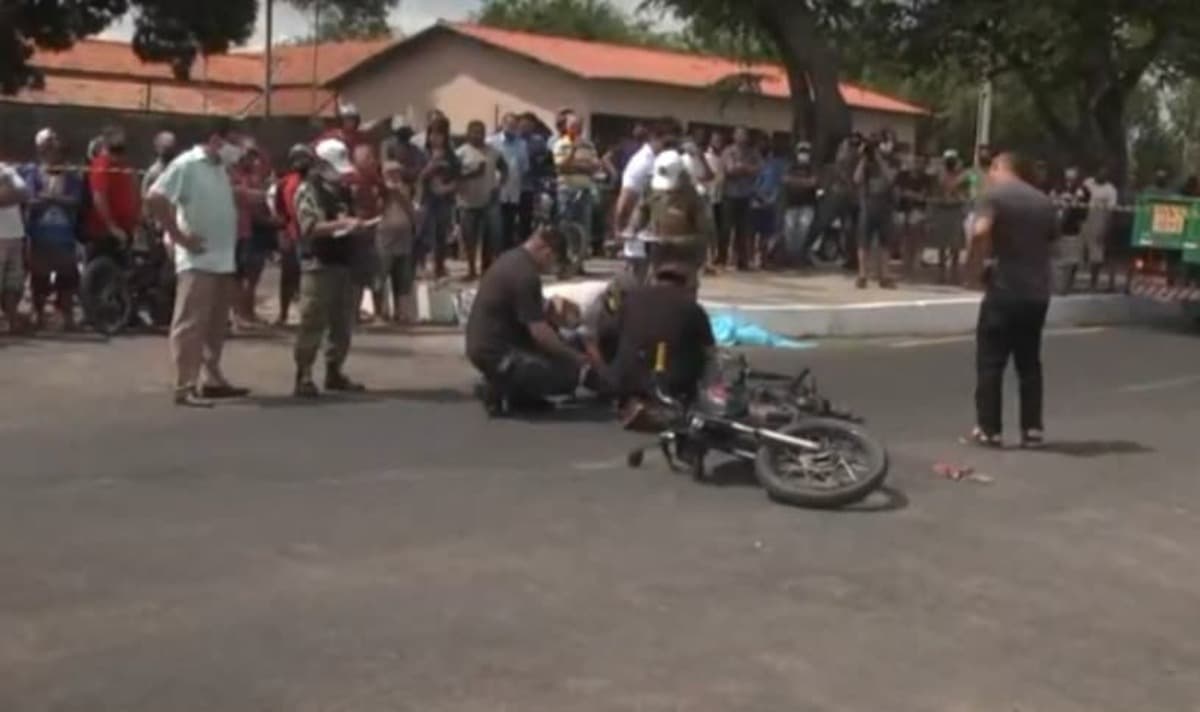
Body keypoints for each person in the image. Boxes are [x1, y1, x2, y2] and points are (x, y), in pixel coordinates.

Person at [146, 118, 249, 407]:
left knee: (216, 325)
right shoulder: (187, 163)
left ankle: (211, 378)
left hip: (223, 258)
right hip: (198, 259)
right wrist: (178, 236)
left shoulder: (219, 168)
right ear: (217, 140)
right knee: (190, 323)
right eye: (234, 142)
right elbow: (155, 196)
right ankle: (184, 384)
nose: (237, 149)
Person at [965, 152, 1056, 449]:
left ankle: (989, 429)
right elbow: (1051, 242)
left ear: (998, 168)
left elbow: (981, 232)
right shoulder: (1043, 202)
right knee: (1029, 363)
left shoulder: (993, 196)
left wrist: (974, 267)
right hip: (1037, 294)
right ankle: (1032, 430)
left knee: (991, 362)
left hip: (1004, 291)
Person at [465, 226, 597, 414]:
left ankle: (519, 393)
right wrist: (574, 358)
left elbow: (534, 311)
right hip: (498, 352)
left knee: (558, 349)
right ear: (546, 251)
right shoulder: (526, 275)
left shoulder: (510, 259)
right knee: (568, 375)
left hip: (486, 344)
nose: (551, 267)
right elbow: (539, 332)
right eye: (554, 260)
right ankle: (502, 385)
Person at [291, 138, 370, 398]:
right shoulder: (308, 190)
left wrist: (357, 225)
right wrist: (342, 224)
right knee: (312, 320)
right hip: (318, 264)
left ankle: (334, 370)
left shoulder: (342, 191)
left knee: (342, 322)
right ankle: (303, 374)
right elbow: (309, 227)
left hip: (342, 262)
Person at [606, 262, 715, 424]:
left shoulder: (631, 299)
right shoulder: (691, 307)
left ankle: (629, 393)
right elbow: (710, 347)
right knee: (700, 351)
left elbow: (608, 333)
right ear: (685, 283)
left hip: (626, 378)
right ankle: (682, 398)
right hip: (671, 382)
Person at [22, 128, 84, 331]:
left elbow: (75, 201)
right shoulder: (34, 173)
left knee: (67, 279)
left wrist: (51, 199)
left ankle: (67, 317)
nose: (53, 154)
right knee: (39, 279)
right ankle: (38, 315)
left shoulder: (72, 176)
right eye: (48, 150)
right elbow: (31, 200)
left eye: (57, 151)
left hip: (64, 237)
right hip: (40, 236)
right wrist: (52, 200)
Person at [627, 149, 714, 281]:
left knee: (683, 287)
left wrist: (677, 241)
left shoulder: (693, 197)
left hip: (685, 255)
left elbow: (705, 232)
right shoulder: (651, 188)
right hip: (658, 250)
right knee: (655, 284)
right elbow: (642, 210)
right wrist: (633, 228)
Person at [229, 141, 274, 329]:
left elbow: (265, 167)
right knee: (238, 277)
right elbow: (244, 195)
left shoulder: (250, 175)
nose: (251, 159)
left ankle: (247, 313)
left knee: (249, 276)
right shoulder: (232, 176)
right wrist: (266, 195)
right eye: (247, 156)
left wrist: (257, 150)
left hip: (246, 231)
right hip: (234, 232)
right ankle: (238, 315)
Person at [551, 111, 600, 275]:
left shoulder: (589, 145)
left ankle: (579, 263)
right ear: (566, 127)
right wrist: (573, 154)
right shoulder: (560, 144)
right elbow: (561, 167)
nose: (576, 129)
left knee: (584, 227)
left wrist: (577, 165)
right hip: (566, 189)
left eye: (578, 126)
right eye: (572, 126)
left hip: (584, 189)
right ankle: (564, 261)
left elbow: (594, 167)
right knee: (566, 226)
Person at [458, 119, 508, 279]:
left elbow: (504, 168)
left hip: (489, 200)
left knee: (492, 236)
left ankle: (488, 269)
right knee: (469, 238)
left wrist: (500, 185)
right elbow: (453, 175)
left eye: (481, 132)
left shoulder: (493, 151)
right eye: (475, 132)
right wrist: (472, 174)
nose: (478, 135)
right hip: (467, 201)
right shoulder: (461, 153)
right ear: (468, 134)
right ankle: (471, 270)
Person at [616, 118, 681, 239]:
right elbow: (626, 198)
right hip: (640, 239)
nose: (671, 148)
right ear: (654, 138)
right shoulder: (642, 162)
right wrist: (619, 229)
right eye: (667, 144)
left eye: (674, 145)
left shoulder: (667, 160)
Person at [272, 144, 315, 326]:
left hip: (312, 234)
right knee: (288, 276)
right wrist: (283, 232)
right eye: (297, 158)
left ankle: (309, 314)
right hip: (292, 233)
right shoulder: (284, 183)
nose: (300, 162)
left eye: (303, 158)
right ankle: (283, 314)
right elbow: (280, 210)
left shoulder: (316, 181)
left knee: (311, 276)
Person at [85, 125, 140, 261]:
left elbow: (133, 190)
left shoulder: (123, 165)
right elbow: (99, 197)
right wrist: (113, 228)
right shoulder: (102, 165)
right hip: (104, 233)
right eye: (115, 146)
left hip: (126, 229)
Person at [853, 134, 899, 288]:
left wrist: (879, 160)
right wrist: (864, 158)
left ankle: (884, 275)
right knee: (863, 241)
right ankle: (862, 275)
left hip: (885, 205)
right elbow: (857, 179)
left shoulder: (892, 161)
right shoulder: (866, 162)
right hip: (868, 204)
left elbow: (890, 178)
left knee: (885, 242)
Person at [375, 160, 417, 323]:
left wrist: (399, 194)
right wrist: (386, 193)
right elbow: (376, 208)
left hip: (404, 239)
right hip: (384, 238)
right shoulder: (380, 190)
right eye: (390, 173)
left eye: (397, 172)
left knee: (403, 277)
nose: (394, 176)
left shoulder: (405, 189)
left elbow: (411, 210)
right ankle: (379, 313)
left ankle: (401, 312)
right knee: (380, 275)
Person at [418, 118, 459, 279]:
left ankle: (439, 266)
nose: (435, 138)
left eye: (439, 134)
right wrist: (433, 164)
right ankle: (420, 265)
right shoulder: (423, 153)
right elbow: (419, 176)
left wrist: (447, 189)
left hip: (445, 199)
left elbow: (458, 178)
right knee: (423, 233)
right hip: (426, 198)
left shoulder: (451, 155)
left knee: (441, 234)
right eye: (432, 134)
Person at [719, 126, 763, 270]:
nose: (742, 138)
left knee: (743, 230)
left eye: (744, 135)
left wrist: (741, 167)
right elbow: (730, 169)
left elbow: (758, 169)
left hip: (746, 195)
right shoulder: (728, 151)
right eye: (739, 134)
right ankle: (722, 258)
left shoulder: (753, 153)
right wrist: (746, 169)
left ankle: (742, 261)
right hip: (729, 194)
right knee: (726, 228)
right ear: (734, 136)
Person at [489, 113, 529, 254]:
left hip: (513, 191)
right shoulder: (492, 142)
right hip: (496, 190)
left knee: (509, 225)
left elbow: (524, 167)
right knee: (495, 226)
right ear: (503, 124)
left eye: (514, 125)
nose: (511, 128)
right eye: (509, 124)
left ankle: (505, 256)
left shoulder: (522, 144)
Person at [927, 150, 969, 284]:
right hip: (942, 210)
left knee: (955, 245)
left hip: (955, 210)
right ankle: (941, 274)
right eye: (948, 159)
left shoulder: (962, 176)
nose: (950, 162)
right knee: (941, 245)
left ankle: (954, 274)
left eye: (952, 159)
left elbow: (966, 193)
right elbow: (934, 193)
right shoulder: (938, 176)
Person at [0, 159, 29, 333]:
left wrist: (6, 192)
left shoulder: (6, 169)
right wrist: (9, 193)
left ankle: (12, 321)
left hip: (15, 234)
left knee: (13, 284)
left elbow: (24, 193)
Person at [752, 135, 789, 269]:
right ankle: (761, 258)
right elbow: (757, 184)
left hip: (776, 202)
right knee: (762, 232)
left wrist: (772, 198)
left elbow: (783, 183)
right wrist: (761, 196)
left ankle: (769, 258)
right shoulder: (765, 164)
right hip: (762, 201)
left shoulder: (785, 164)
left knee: (774, 232)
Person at [781, 141, 819, 267]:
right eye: (802, 151)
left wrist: (795, 182)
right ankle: (790, 257)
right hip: (791, 204)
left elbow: (813, 182)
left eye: (806, 152)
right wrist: (804, 183)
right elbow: (785, 180)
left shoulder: (813, 167)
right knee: (789, 231)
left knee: (803, 230)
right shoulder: (790, 166)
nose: (804, 154)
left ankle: (798, 256)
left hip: (807, 205)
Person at [1052, 166, 1090, 294]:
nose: (1070, 179)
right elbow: (1052, 200)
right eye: (1068, 177)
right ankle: (1058, 286)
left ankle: (1068, 284)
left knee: (1073, 260)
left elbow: (1084, 211)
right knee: (1059, 260)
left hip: (1074, 229)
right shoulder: (1058, 188)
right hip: (1058, 228)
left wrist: (1076, 199)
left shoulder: (1083, 190)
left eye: (1073, 177)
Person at [895, 153, 933, 278]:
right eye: (915, 162)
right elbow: (897, 193)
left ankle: (916, 264)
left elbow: (924, 197)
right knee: (904, 238)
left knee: (917, 237)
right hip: (902, 209)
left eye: (920, 162)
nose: (917, 165)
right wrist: (914, 195)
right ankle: (905, 264)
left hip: (918, 211)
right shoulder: (902, 176)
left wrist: (908, 193)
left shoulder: (926, 179)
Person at [518, 112, 554, 242]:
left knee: (528, 217)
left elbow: (547, 161)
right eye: (523, 124)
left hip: (532, 185)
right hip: (513, 185)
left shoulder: (538, 142)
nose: (525, 127)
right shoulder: (515, 141)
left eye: (529, 124)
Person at [1081, 166, 1118, 291]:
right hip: (1084, 218)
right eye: (1099, 172)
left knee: (1096, 255)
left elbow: (1110, 212)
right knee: (1079, 251)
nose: (1101, 175)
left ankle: (1093, 282)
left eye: (1104, 173)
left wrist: (1105, 228)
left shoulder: (1110, 190)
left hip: (1099, 220)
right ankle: (1069, 282)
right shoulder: (1087, 183)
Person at [704, 131, 728, 269]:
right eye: (716, 140)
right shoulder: (706, 157)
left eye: (720, 140)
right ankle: (707, 259)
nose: (718, 143)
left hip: (720, 198)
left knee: (718, 230)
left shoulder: (722, 158)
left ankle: (715, 258)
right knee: (708, 230)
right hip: (708, 198)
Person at [141, 131, 178, 199]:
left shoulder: (180, 170)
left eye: (170, 148)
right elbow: (145, 197)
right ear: (158, 148)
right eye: (165, 148)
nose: (168, 152)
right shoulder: (153, 172)